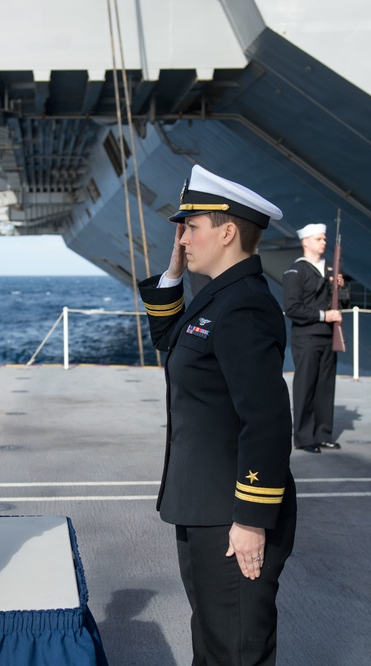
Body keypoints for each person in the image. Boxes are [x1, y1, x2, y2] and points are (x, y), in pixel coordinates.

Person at [138, 165, 296, 665]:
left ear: (227, 231)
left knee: (235, 648)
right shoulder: (218, 299)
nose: (182, 238)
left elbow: (267, 421)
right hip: (204, 508)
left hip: (232, 514)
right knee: (213, 641)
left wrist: (250, 519)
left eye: (192, 227)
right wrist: (175, 272)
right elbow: (171, 341)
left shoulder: (244, 307)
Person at [282, 223, 347, 453]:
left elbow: (343, 302)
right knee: (306, 387)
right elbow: (292, 308)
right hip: (307, 336)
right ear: (306, 241)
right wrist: (323, 315)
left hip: (328, 337)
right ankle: (304, 437)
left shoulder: (330, 271)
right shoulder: (296, 271)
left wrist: (341, 287)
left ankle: (323, 433)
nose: (323, 242)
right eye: (319, 239)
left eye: (324, 239)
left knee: (325, 387)